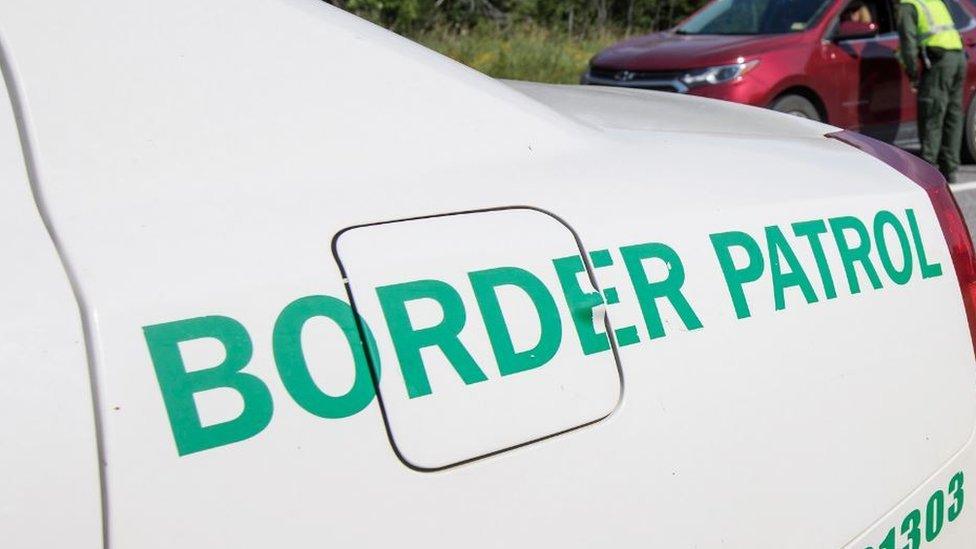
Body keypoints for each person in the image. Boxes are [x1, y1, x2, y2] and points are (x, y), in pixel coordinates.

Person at [898, 0, 966, 182]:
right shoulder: (934, 1)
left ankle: (928, 170)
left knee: (932, 113)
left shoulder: (908, 6)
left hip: (940, 61)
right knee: (953, 115)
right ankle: (950, 169)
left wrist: (912, 73)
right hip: (959, 57)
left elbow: (908, 42)